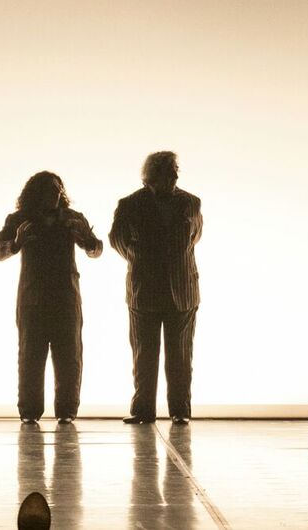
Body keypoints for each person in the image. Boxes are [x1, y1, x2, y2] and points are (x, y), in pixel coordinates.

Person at [0, 172, 103, 424]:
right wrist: (15, 243)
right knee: (30, 357)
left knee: (70, 358)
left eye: (58, 189)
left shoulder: (73, 218)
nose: (55, 194)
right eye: (50, 190)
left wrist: (88, 240)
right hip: (33, 300)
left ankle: (67, 411)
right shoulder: (19, 219)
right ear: (36, 193)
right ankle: (29, 412)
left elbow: (96, 250)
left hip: (66, 299)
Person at [109, 151, 201, 425]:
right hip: (144, 291)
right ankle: (143, 410)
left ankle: (180, 411)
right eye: (169, 171)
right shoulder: (129, 204)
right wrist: (141, 260)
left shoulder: (191, 203)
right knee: (144, 355)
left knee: (181, 356)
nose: (175, 176)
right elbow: (117, 240)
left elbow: (194, 237)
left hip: (182, 291)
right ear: (152, 175)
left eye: (175, 170)